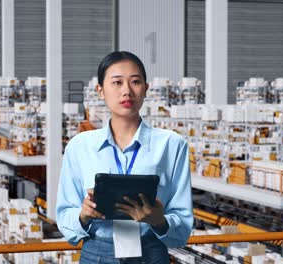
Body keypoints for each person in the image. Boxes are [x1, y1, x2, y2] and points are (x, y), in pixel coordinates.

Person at [56, 51, 193, 263]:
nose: (126, 91)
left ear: (146, 89)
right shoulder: (80, 147)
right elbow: (65, 216)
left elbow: (182, 225)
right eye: (117, 82)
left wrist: (159, 221)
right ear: (101, 91)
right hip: (97, 255)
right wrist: (82, 215)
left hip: (151, 253)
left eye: (135, 82)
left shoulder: (171, 145)